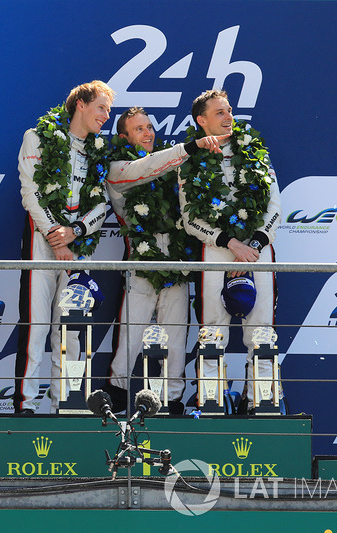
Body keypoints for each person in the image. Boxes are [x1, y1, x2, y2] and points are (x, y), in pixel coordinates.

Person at [103, 107, 226, 414]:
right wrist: (191, 148)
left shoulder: (172, 168)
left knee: (176, 335)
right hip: (141, 265)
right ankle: (117, 395)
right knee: (129, 337)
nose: (148, 133)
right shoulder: (117, 168)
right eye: (139, 129)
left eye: (149, 127)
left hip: (177, 263)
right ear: (123, 138)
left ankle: (172, 399)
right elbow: (146, 169)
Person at [14, 80, 114, 414]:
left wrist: (75, 231)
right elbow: (31, 192)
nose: (106, 115)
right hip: (42, 244)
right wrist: (56, 236)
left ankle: (68, 405)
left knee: (73, 332)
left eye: (109, 110)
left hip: (79, 244)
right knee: (37, 326)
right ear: (80, 105)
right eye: (101, 107)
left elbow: (103, 203)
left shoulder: (100, 150)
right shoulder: (37, 137)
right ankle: (25, 406)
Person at [178, 89, 281, 412]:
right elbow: (190, 218)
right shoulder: (190, 159)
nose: (228, 117)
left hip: (258, 251)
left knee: (262, 334)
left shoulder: (255, 151)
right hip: (216, 250)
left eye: (229, 110)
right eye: (220, 112)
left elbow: (275, 206)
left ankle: (261, 402)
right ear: (202, 120)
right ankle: (212, 402)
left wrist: (251, 246)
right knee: (212, 333)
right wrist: (232, 244)